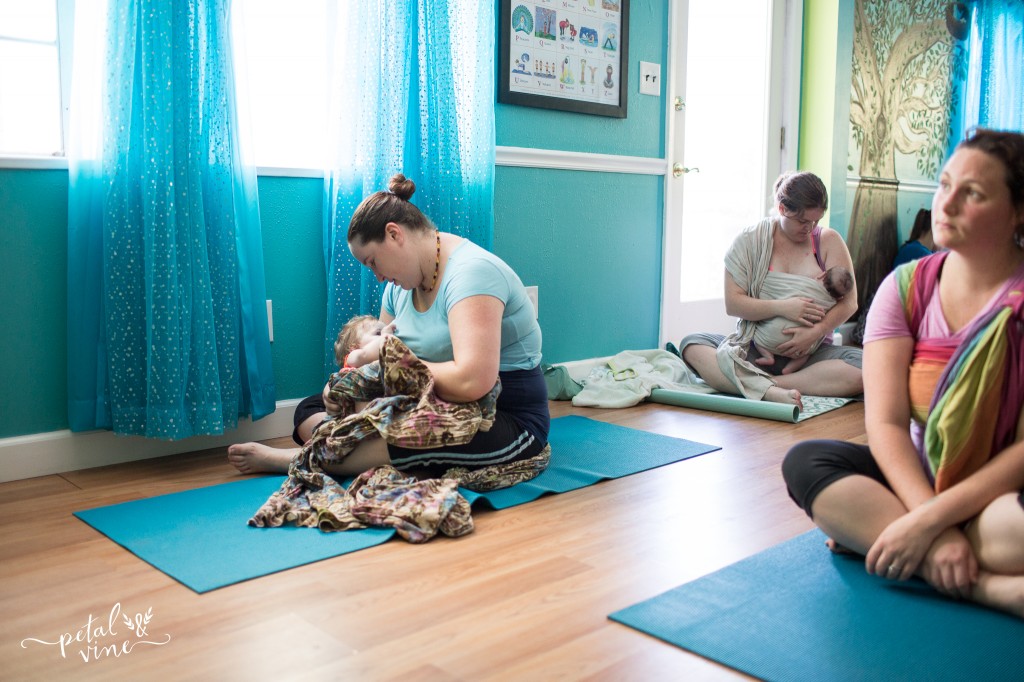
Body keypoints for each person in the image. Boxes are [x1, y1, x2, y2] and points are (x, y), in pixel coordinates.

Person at [782, 128, 1024, 618]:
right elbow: (887, 423)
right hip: (920, 477)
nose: (946, 204)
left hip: (1002, 495)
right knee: (806, 462)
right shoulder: (907, 287)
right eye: (944, 184)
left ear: (1019, 212)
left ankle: (883, 537)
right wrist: (934, 530)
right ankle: (984, 586)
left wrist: (925, 522)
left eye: (972, 193)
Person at [229, 173, 550, 479]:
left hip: (499, 416)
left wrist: (395, 363)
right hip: (432, 398)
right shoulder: (398, 286)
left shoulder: (472, 275)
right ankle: (354, 449)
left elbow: (472, 382)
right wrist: (346, 385)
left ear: (395, 234)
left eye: (372, 262)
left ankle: (303, 458)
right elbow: (378, 366)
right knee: (310, 405)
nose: (377, 276)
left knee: (406, 436)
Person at [679, 171, 864, 409]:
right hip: (756, 349)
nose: (810, 228)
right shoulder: (751, 241)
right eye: (803, 221)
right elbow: (733, 304)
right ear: (782, 208)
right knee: (692, 345)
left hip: (811, 356)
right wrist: (785, 308)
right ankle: (767, 389)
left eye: (816, 221)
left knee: (864, 369)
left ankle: (766, 384)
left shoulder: (828, 241)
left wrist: (814, 332)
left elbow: (850, 303)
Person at [752, 265, 854, 375]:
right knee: (808, 353)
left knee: (754, 333)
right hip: (801, 349)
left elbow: (787, 290)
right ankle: (789, 370)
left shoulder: (807, 284)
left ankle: (767, 356)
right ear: (839, 298)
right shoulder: (832, 304)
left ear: (822, 275)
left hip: (772, 335)